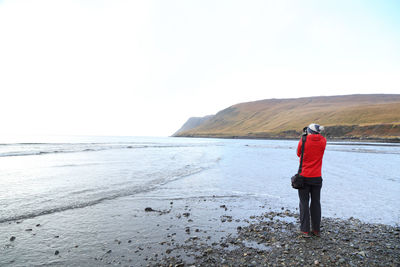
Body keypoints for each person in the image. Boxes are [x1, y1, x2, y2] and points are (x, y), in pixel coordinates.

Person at [297, 123, 326, 237]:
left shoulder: (303, 140)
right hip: (317, 177)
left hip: (304, 176)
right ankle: (316, 230)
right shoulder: (323, 141)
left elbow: (299, 153)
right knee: (316, 203)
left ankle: (305, 230)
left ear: (309, 131)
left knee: (304, 202)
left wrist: (305, 136)